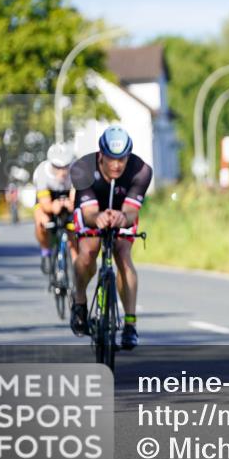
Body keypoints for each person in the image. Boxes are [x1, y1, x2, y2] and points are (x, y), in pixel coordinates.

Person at [69, 125, 152, 350]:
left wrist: (122, 217)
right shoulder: (82, 168)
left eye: (122, 160)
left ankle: (130, 324)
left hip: (122, 212)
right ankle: (79, 302)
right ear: (101, 155)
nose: (117, 165)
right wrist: (99, 218)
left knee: (123, 254)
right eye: (111, 159)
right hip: (91, 210)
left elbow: (132, 212)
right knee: (88, 251)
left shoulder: (140, 170)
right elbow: (88, 213)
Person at [33, 143, 75, 274]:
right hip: (48, 198)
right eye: (57, 167)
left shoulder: (77, 170)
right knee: (42, 221)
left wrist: (71, 204)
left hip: (67, 196)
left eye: (65, 167)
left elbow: (76, 196)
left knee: (76, 226)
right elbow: (44, 204)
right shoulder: (42, 172)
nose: (62, 172)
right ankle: (46, 251)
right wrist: (52, 207)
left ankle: (75, 265)